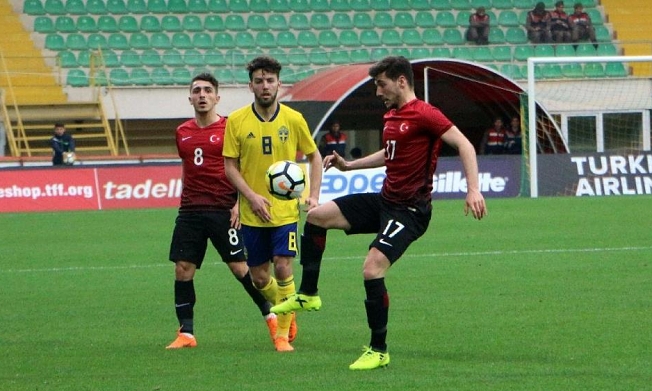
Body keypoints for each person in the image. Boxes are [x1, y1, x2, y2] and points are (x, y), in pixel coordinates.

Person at [271, 56, 487, 370]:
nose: (377, 91)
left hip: (410, 211)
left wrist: (473, 189)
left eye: (381, 84)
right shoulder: (392, 116)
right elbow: (390, 153)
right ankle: (308, 293)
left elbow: (464, 145)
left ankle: (379, 349)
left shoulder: (425, 113)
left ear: (401, 81)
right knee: (317, 216)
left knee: (372, 269)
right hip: (385, 201)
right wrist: (349, 166)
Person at [166, 72, 278, 349]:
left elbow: (243, 168)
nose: (202, 95)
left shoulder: (230, 128)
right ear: (190, 98)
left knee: (240, 268)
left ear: (217, 97)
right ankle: (186, 333)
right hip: (190, 211)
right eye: (197, 91)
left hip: (223, 209)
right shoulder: (182, 132)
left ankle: (272, 315)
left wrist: (239, 203)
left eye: (207, 90)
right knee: (183, 269)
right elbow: (186, 167)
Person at [223, 56, 323, 352]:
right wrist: (251, 197)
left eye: (270, 81)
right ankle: (286, 307)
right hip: (252, 213)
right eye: (259, 81)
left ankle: (281, 335)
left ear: (279, 83)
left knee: (283, 267)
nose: (265, 86)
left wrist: (314, 195)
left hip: (285, 212)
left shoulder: (293, 119)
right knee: (259, 277)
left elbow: (314, 156)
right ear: (250, 85)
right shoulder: (236, 120)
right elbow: (230, 166)